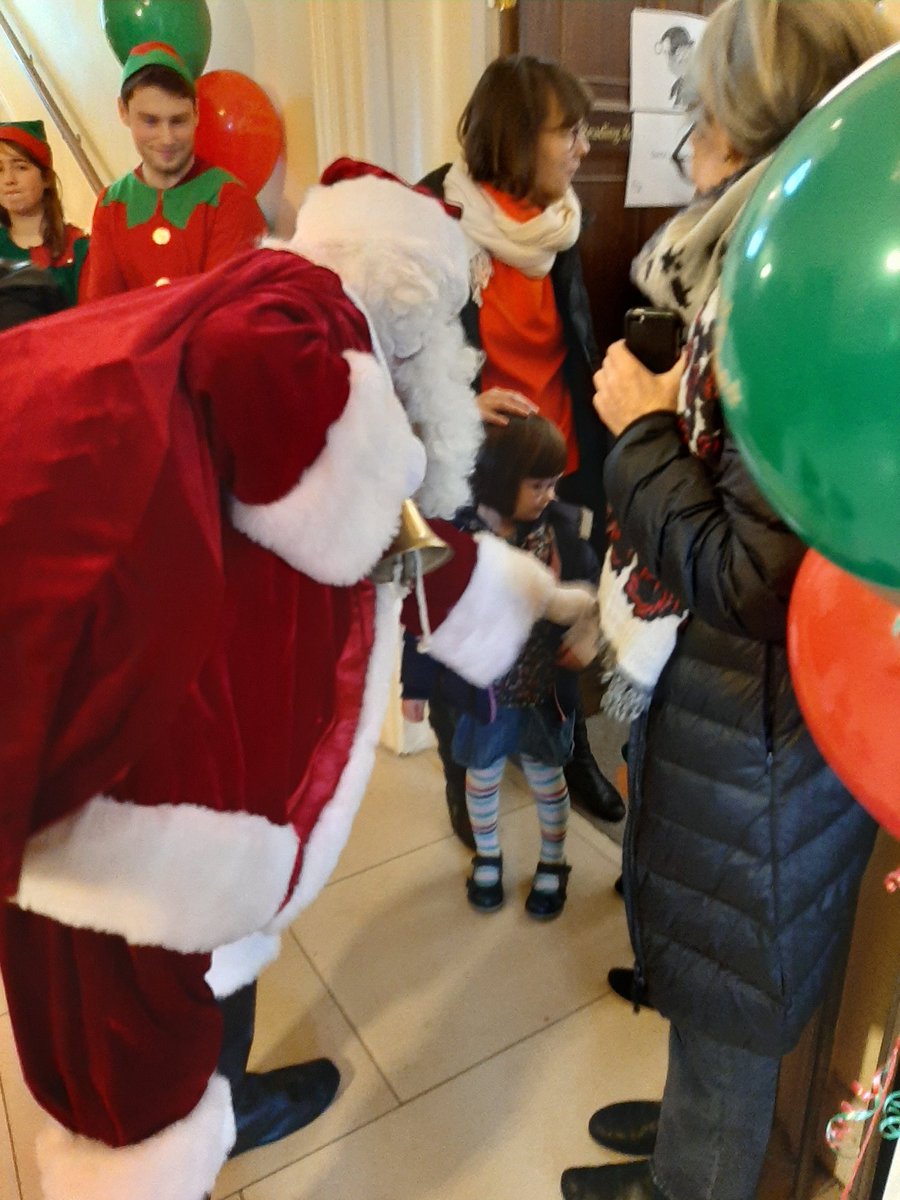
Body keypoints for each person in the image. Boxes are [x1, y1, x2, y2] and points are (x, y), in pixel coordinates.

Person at [0, 157, 593, 1200]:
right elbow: (364, 527)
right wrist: (508, 569)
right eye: (449, 334)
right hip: (122, 790)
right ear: (409, 306)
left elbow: (385, 548)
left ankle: (217, 1106)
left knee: (182, 994)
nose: (454, 365)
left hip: (108, 736)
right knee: (122, 1079)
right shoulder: (306, 340)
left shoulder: (257, 295)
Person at [560, 3, 893, 1199]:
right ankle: (677, 1140)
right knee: (704, 984)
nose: (688, 135)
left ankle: (689, 1175)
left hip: (760, 744)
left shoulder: (797, 290)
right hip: (733, 729)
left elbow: (751, 580)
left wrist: (640, 431)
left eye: (706, 111)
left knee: (729, 1016)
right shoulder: (764, 254)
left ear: (751, 134)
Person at [419, 54, 624, 844]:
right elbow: (392, 347)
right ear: (515, 134)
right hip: (474, 477)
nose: (582, 146)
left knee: (561, 622)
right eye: (566, 131)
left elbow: (567, 344)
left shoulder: (559, 221)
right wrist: (461, 403)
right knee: (468, 633)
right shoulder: (434, 218)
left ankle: (567, 757)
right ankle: (462, 773)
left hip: (563, 461)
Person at [403, 415, 600, 918]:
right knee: (481, 777)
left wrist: (587, 634)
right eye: (538, 485)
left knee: (548, 779)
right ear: (500, 477)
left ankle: (553, 862)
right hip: (483, 696)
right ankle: (488, 857)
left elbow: (596, 597)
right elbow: (427, 615)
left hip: (543, 691)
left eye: (555, 483)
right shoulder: (459, 536)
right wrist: (415, 685)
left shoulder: (560, 530)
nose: (550, 495)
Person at [78, 41, 266, 301]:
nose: (167, 139)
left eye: (178, 120)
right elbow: (101, 314)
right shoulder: (111, 205)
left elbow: (227, 312)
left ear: (196, 113)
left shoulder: (229, 198)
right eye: (150, 121)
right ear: (123, 111)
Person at [0, 119, 88, 308]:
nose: (9, 179)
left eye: (21, 167)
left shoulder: (81, 248)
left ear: (46, 178)